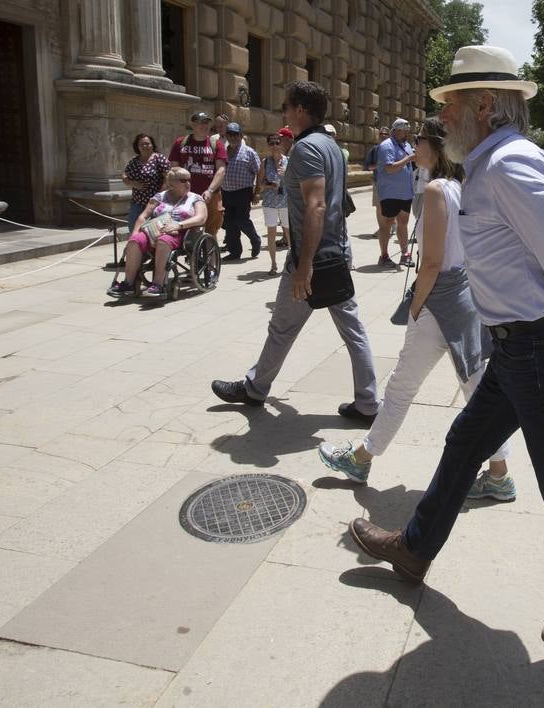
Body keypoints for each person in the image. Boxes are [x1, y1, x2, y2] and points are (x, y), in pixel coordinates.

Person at [347, 45, 544, 657]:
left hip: (540, 348)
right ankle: (416, 548)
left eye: (451, 102)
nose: (443, 113)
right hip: (518, 348)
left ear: (483, 104)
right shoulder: (491, 164)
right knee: (464, 443)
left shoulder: (508, 165)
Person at [317, 117, 516, 501]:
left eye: (419, 140)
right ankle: (499, 473)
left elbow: (431, 263)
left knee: (403, 386)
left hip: (439, 301)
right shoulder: (460, 187)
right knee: (475, 390)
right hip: (464, 298)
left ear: (437, 147)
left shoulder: (439, 190)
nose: (412, 146)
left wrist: (415, 306)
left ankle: (362, 458)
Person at [211, 81, 380, 425]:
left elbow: (316, 206)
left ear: (301, 109)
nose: (284, 112)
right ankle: (366, 402)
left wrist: (304, 267)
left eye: (287, 106)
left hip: (313, 257)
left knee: (288, 328)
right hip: (334, 252)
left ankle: (257, 388)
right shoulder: (331, 146)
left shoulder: (306, 149)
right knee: (346, 329)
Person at [106, 167, 207, 299]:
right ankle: (128, 283)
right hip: (154, 230)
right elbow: (143, 216)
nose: (188, 183)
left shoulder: (195, 198)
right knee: (134, 242)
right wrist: (135, 233)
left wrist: (179, 224)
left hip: (181, 233)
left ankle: (158, 284)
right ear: (171, 183)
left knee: (163, 240)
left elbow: (201, 217)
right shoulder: (159, 197)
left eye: (189, 179)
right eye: (183, 180)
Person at [169, 111, 227, 237]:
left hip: (210, 196)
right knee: (188, 230)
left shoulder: (216, 144)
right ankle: (191, 255)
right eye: (201, 123)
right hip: (185, 196)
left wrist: (210, 190)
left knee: (211, 233)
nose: (205, 126)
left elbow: (221, 170)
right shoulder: (180, 143)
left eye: (207, 123)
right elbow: (174, 169)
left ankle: (211, 255)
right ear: (193, 125)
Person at [219, 122, 262, 261]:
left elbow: (260, 172)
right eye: (230, 134)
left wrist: (257, 192)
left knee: (242, 220)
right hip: (226, 192)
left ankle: (255, 240)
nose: (232, 137)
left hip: (243, 192)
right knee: (230, 224)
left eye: (235, 134)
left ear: (241, 135)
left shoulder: (249, 152)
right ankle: (235, 252)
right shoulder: (223, 152)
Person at [376, 118, 416, 268]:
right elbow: (389, 168)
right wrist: (408, 159)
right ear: (395, 130)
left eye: (407, 131)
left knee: (403, 223)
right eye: (403, 131)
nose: (406, 134)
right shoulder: (387, 146)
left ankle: (405, 254)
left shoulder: (406, 145)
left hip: (406, 192)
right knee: (387, 224)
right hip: (390, 192)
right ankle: (384, 255)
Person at [256, 133, 290, 275]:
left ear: (281, 144)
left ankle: (292, 262)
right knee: (271, 233)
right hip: (270, 202)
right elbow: (260, 183)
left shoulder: (288, 161)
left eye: (277, 143)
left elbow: (296, 182)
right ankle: (273, 265)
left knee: (289, 233)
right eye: (271, 143)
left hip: (286, 202)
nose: (275, 146)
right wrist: (270, 185)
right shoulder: (265, 162)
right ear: (268, 145)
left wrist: (286, 174)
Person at [121, 133, 170, 232]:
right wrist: (132, 183)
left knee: (154, 232)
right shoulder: (134, 161)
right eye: (141, 144)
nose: (145, 146)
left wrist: (159, 196)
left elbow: (168, 177)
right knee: (134, 230)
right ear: (137, 147)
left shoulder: (159, 158)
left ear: (152, 145)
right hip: (137, 203)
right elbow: (124, 175)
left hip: (155, 204)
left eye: (147, 143)